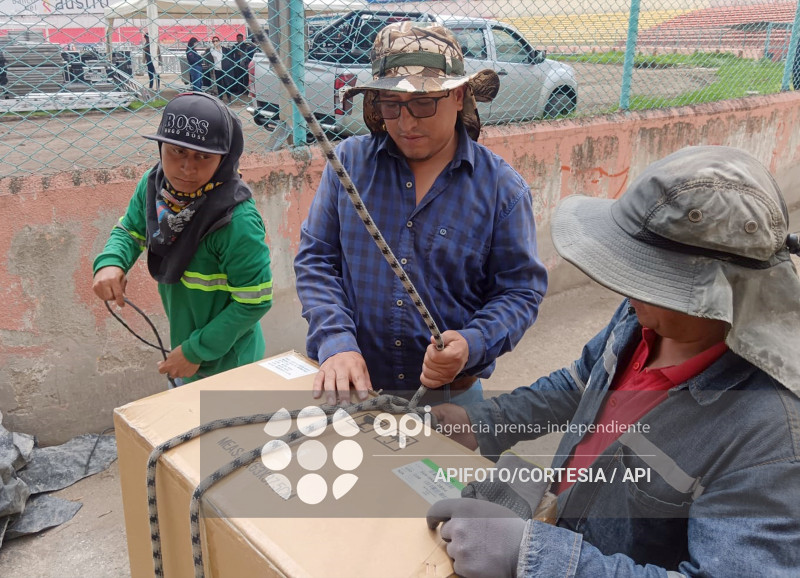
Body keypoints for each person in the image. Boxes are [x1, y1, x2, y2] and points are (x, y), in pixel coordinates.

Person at [426, 145, 800, 577]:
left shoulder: (771, 438)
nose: (626, 287)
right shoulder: (641, 318)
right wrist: (484, 423)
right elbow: (579, 383)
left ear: (715, 294)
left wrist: (532, 556)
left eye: (648, 276)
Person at [293, 22, 548, 406]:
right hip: (352, 388)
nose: (406, 122)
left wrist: (472, 343)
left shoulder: (503, 190)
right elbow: (317, 259)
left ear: (459, 96)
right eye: (391, 104)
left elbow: (519, 292)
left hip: (450, 398)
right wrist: (336, 341)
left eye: (423, 102)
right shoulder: (347, 166)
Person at [92, 93, 273, 384]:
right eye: (177, 151)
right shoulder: (154, 187)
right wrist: (112, 262)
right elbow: (130, 231)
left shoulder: (236, 221)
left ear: (224, 159)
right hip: (186, 349)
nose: (187, 167)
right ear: (161, 147)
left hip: (230, 363)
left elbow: (254, 301)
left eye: (203, 156)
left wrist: (194, 351)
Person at [209, 36, 226, 101]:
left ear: (219, 41)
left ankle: (228, 96)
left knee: (226, 82)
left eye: (216, 41)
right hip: (217, 68)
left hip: (224, 68)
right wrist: (217, 48)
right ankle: (220, 97)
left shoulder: (223, 49)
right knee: (219, 83)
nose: (215, 42)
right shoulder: (212, 49)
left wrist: (219, 48)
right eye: (214, 41)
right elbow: (217, 56)